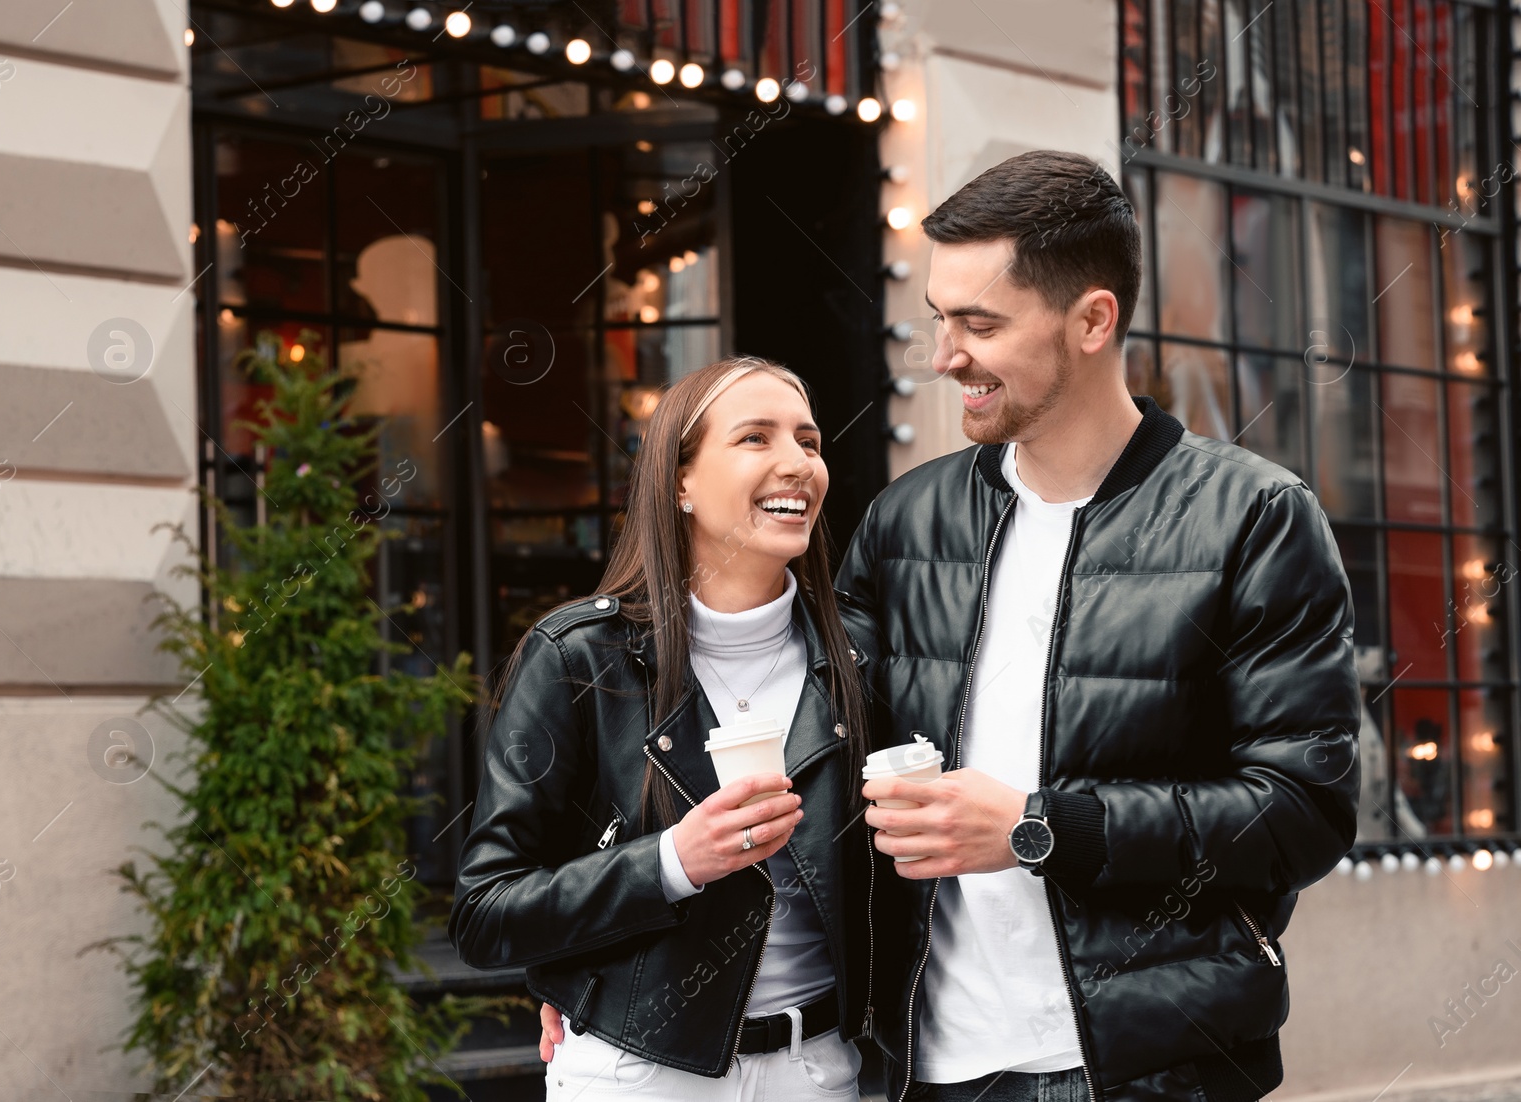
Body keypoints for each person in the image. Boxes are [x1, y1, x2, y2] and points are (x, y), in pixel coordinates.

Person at [836, 150, 1360, 1102]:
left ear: (1091, 319)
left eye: (980, 323)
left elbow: (1302, 812)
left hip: (1150, 1068)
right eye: (940, 320)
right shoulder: (903, 523)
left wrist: (1041, 830)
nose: (945, 354)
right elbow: (806, 747)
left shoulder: (1253, 517)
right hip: (931, 1069)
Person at [452, 357, 876, 1101]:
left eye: (809, 442)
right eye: (755, 438)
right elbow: (487, 913)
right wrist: (674, 861)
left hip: (820, 1070)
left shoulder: (862, 657)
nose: (797, 464)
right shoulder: (578, 658)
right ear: (679, 482)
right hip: (638, 1075)